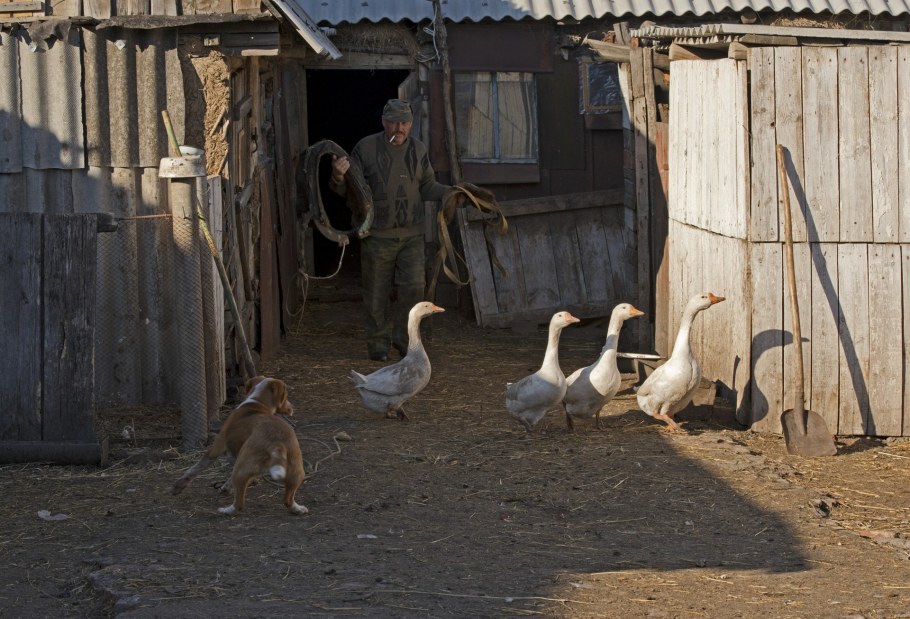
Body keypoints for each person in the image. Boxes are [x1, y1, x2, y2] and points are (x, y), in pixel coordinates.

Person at [330, 99, 453, 362]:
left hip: (411, 236)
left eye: (405, 122)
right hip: (377, 236)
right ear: (383, 121)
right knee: (376, 292)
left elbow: (428, 186)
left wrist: (452, 193)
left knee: (413, 290)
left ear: (411, 123)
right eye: (394, 122)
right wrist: (338, 177)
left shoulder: (418, 150)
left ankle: (404, 341)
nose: (400, 127)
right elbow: (348, 191)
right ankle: (377, 346)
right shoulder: (365, 148)